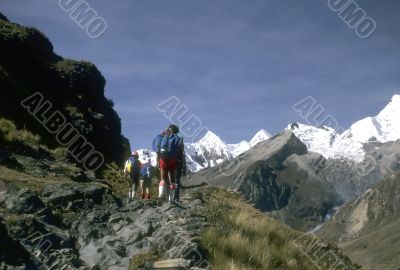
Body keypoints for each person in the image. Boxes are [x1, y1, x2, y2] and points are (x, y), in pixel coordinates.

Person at [157, 124, 184, 205]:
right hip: (173, 160)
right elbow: (180, 151)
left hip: (162, 159)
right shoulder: (178, 138)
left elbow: (157, 148)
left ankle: (160, 194)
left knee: (163, 179)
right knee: (173, 180)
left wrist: (158, 161)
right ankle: (171, 200)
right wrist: (181, 162)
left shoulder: (163, 136)